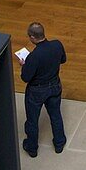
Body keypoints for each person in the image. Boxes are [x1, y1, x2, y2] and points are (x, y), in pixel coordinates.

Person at [18, 21, 67, 156]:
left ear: (33, 37)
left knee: (32, 120)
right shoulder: (57, 45)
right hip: (55, 85)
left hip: (37, 91)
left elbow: (26, 77)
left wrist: (24, 64)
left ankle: (32, 148)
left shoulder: (33, 57)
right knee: (55, 115)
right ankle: (59, 143)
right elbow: (63, 60)